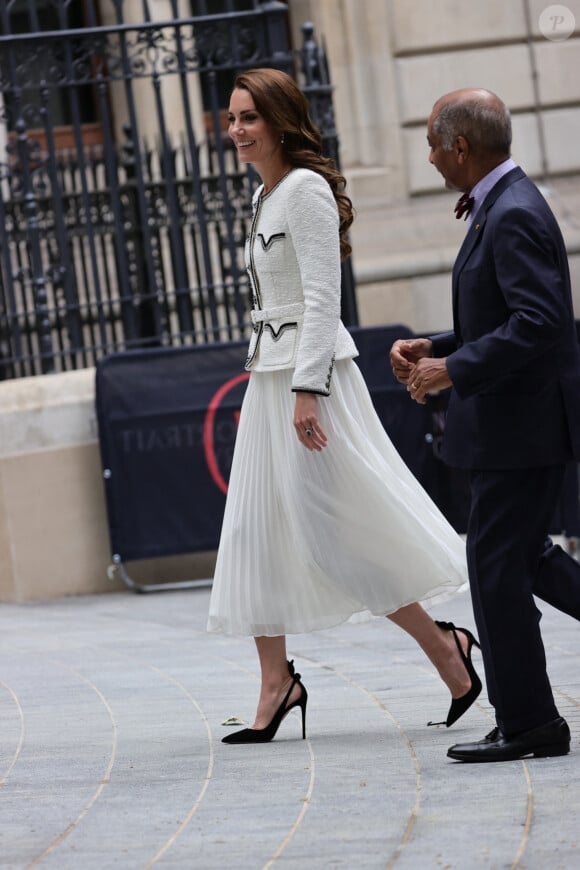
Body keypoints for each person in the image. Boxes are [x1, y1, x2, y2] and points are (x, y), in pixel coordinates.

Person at [207, 68, 481, 744]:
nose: (236, 130)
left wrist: (307, 390)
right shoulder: (262, 194)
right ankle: (277, 683)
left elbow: (325, 299)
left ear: (278, 122)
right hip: (271, 378)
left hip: (311, 380)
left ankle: (448, 649)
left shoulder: (304, 192)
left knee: (344, 527)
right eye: (232, 117)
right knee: (254, 528)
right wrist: (279, 383)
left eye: (249, 118)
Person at [390, 87, 580, 763]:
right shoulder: (502, 207)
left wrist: (455, 370)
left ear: (461, 146)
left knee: (496, 569)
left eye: (434, 144)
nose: (432, 157)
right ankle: (527, 718)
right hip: (512, 425)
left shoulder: (514, 212)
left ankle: (530, 723)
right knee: (522, 561)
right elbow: (503, 317)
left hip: (521, 430)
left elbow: (540, 323)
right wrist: (436, 349)